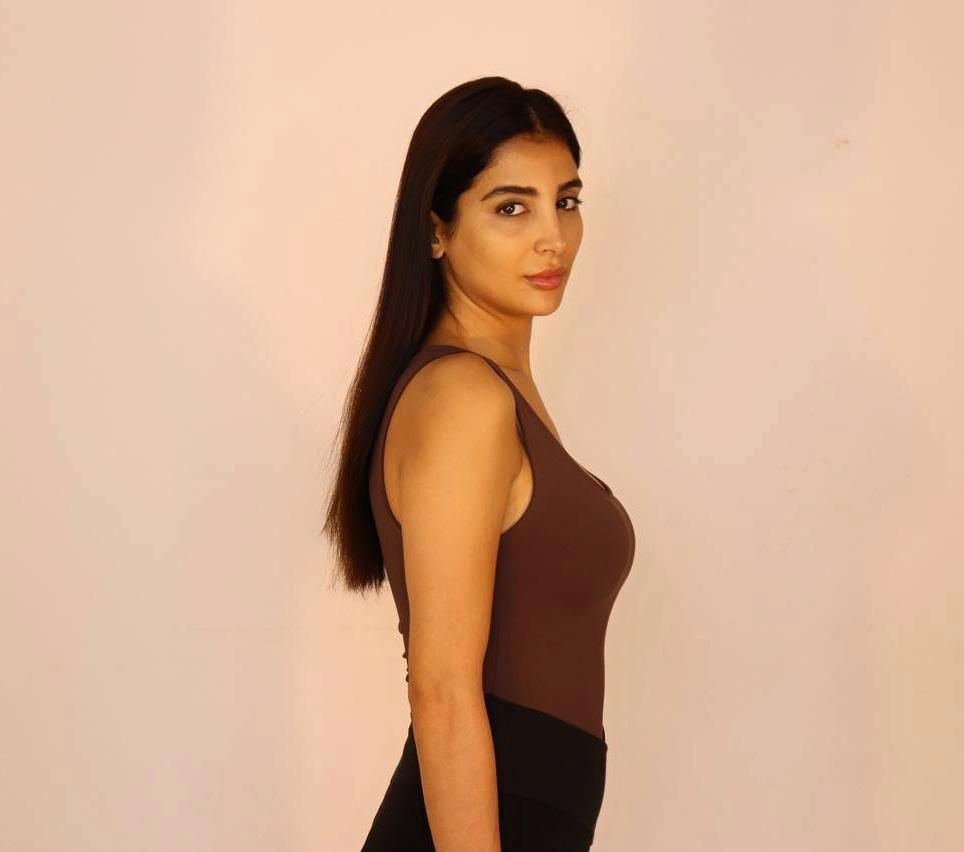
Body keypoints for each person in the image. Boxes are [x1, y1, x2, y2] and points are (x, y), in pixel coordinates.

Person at [323, 76, 636, 851]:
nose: (553, 238)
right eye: (511, 208)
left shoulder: (498, 388)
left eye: (566, 201)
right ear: (436, 230)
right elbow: (442, 691)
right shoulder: (463, 398)